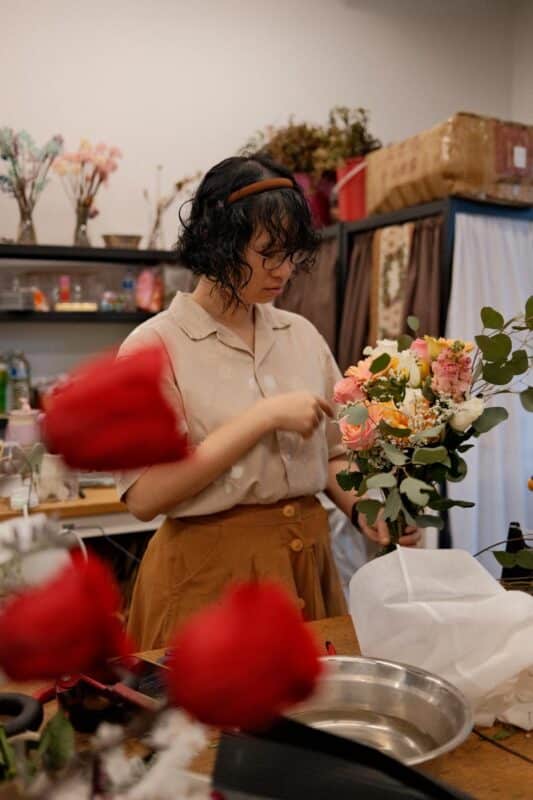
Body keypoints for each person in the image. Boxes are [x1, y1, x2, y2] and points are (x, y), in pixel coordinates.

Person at [116, 155, 420, 650]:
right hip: (207, 581)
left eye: (292, 255)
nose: (284, 271)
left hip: (304, 567)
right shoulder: (153, 348)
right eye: (268, 253)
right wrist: (261, 419)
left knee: (312, 721)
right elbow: (146, 497)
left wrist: (365, 509)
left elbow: (333, 453)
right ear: (218, 241)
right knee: (217, 725)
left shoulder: (299, 334)